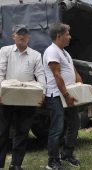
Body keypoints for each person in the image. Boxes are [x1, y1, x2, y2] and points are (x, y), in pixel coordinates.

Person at [0, 24, 45, 170]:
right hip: (7, 97)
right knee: (2, 131)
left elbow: (41, 76)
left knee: (22, 132)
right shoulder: (5, 51)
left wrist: (42, 93)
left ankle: (16, 164)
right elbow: (0, 72)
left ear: (29, 37)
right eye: (19, 34)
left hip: (27, 99)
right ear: (13, 36)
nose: (22, 36)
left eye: (25, 34)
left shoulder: (36, 55)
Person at [43, 23, 83, 170]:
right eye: (68, 34)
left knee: (74, 124)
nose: (70, 37)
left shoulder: (65, 52)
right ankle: (52, 161)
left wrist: (81, 87)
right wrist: (66, 95)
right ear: (59, 36)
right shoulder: (52, 51)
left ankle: (67, 154)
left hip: (69, 94)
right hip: (57, 96)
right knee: (57, 128)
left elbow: (73, 71)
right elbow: (57, 75)